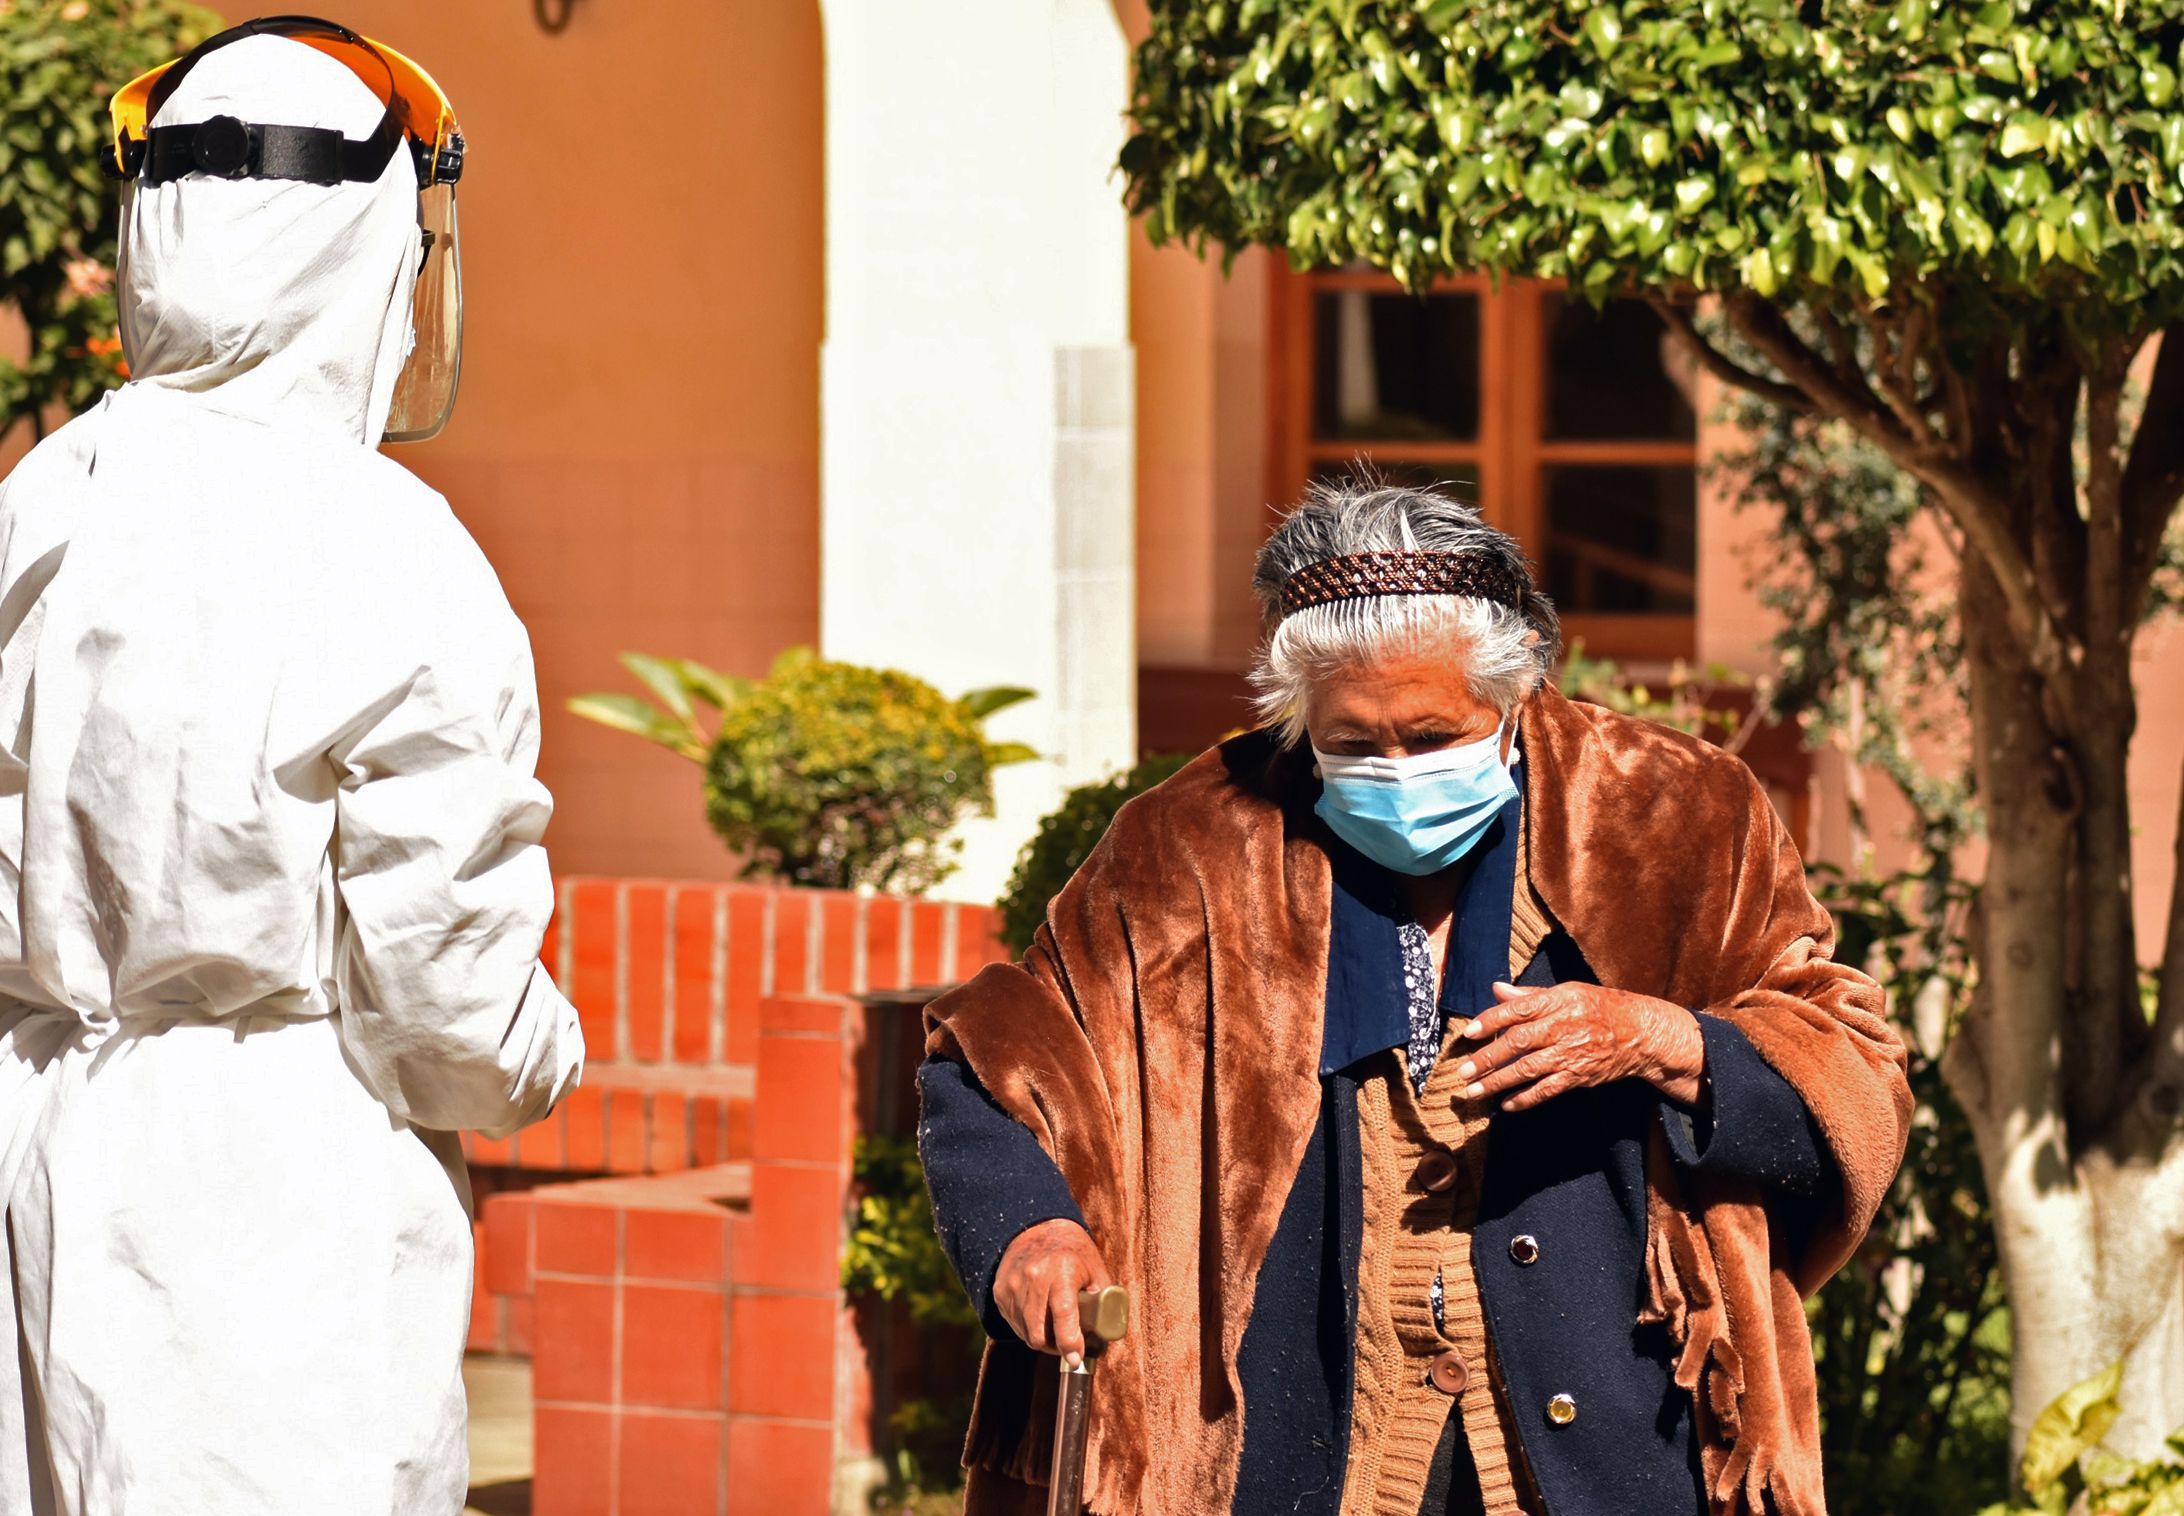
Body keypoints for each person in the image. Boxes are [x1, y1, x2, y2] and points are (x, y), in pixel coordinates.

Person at [919, 478, 1912, 1515]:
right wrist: (1028, 1229)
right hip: (1287, 1452)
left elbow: (1853, 1072)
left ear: (1515, 693)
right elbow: (1000, 1060)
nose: (1394, 770)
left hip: (1627, 1443)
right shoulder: (1187, 849)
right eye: (1350, 744)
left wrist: (1660, 1039)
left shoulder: (1679, 816)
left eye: (1434, 736)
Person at [0, 19, 582, 1515]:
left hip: (38, 1167)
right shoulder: (392, 550)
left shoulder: (39, 507)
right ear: (367, 249)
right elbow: (450, 1007)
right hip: (276, 1244)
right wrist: (538, 1051)